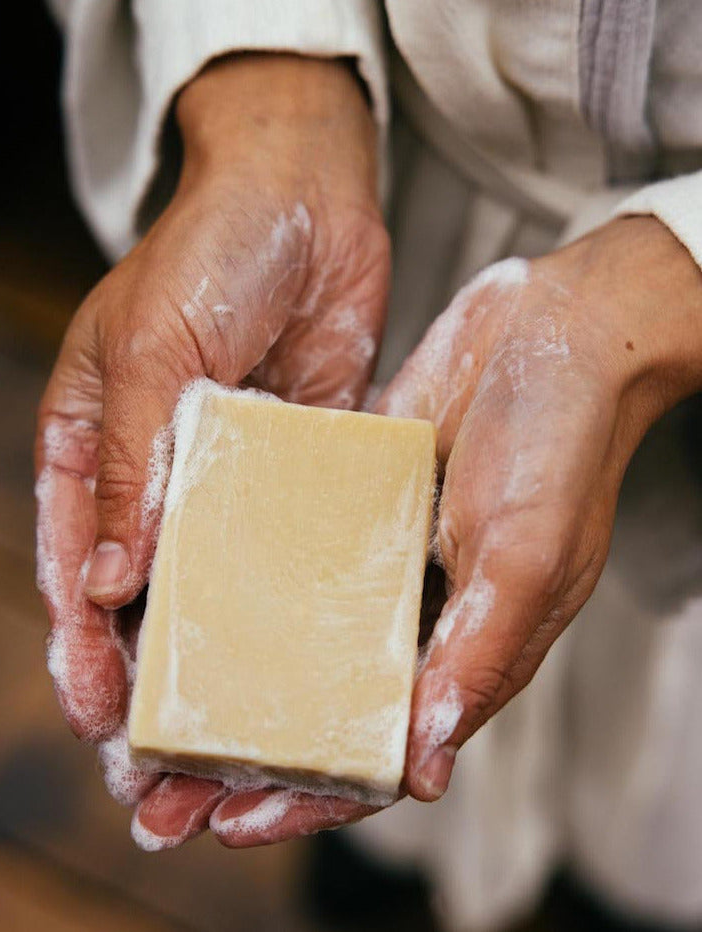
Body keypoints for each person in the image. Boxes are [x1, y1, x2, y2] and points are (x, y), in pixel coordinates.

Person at [36, 2, 702, 929]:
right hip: (385, 218)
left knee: (655, 835)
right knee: (369, 871)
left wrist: (671, 277)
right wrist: (268, 80)